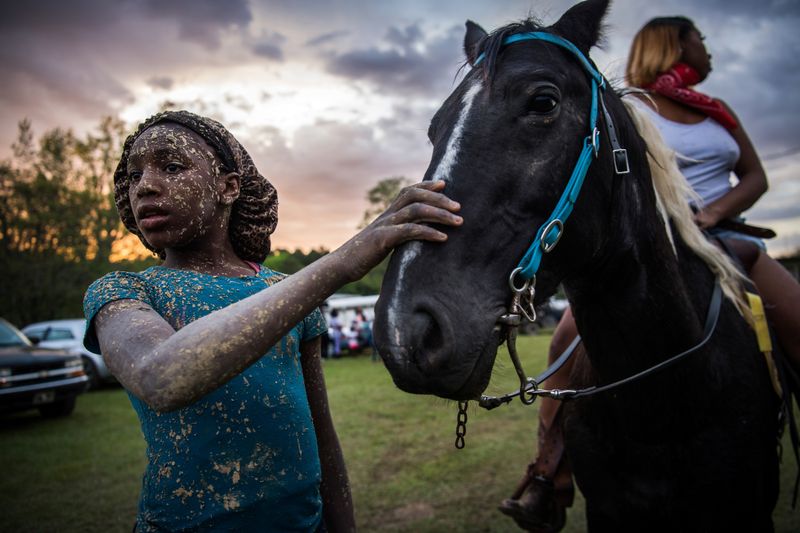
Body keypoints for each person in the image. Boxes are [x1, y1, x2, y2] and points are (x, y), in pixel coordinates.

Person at [82, 110, 463, 532]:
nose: (145, 186)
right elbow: (160, 377)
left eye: (171, 166)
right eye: (133, 176)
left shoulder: (283, 290)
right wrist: (340, 263)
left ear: (228, 187)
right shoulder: (122, 292)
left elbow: (322, 438)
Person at [499, 16, 800, 531]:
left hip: (724, 239)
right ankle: (549, 473)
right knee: (564, 343)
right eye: (699, 39)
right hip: (651, 245)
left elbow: (755, 176)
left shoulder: (718, 111)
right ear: (672, 44)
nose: (708, 49)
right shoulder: (627, 107)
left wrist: (709, 214)